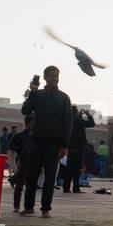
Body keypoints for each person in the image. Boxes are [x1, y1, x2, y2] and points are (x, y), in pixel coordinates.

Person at [19, 67, 73, 217]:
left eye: (56, 76)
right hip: (36, 142)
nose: (55, 79)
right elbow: (25, 110)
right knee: (31, 178)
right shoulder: (38, 95)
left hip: (54, 145)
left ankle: (45, 209)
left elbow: (67, 124)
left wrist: (64, 145)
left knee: (49, 179)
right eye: (52, 76)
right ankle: (29, 207)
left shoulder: (63, 98)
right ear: (45, 77)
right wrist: (33, 93)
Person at [60, 105, 95, 194]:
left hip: (70, 148)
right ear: (75, 112)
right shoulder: (79, 120)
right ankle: (76, 188)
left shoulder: (68, 121)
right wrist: (87, 115)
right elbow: (91, 123)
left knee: (69, 168)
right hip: (78, 148)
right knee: (77, 169)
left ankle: (66, 187)